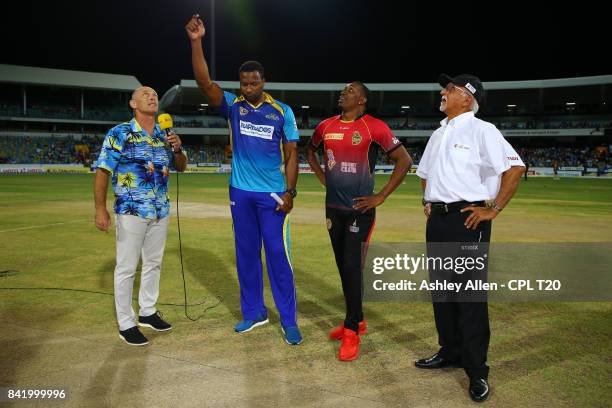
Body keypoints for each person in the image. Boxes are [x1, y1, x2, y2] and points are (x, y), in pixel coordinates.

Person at [185, 15, 302, 345]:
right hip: (241, 193)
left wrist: (291, 191)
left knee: (278, 257)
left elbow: (292, 153)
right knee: (247, 254)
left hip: (274, 196)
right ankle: (254, 313)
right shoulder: (233, 108)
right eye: (243, 84)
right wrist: (196, 42)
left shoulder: (282, 111)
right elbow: (205, 84)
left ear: (263, 81)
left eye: (253, 83)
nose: (248, 88)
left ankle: (289, 319)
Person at [415, 74, 525, 402]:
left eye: (450, 89)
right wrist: (428, 200)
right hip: (439, 221)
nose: (443, 93)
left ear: (467, 98)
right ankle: (450, 351)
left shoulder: (483, 130)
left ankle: (477, 370)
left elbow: (515, 168)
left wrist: (494, 208)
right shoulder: (438, 133)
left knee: (469, 296)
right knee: (442, 291)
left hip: (468, 220)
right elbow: (423, 174)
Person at [306, 82, 412, 361]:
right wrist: (321, 176)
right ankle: (358, 318)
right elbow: (309, 150)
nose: (343, 93)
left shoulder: (374, 127)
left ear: (362, 100)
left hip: (359, 210)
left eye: (350, 91)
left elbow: (404, 160)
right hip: (332, 209)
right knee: (344, 267)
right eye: (342, 90)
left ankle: (352, 330)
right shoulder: (325, 126)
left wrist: (381, 196)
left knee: (353, 267)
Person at [94, 86, 187, 346]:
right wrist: (100, 208)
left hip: (160, 209)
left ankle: (147, 312)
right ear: (133, 103)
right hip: (131, 209)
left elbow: (181, 166)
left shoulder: (163, 133)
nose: (152, 96)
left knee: (153, 263)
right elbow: (103, 171)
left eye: (155, 94)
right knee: (126, 267)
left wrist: (178, 149)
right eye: (145, 94)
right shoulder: (120, 133)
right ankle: (126, 323)